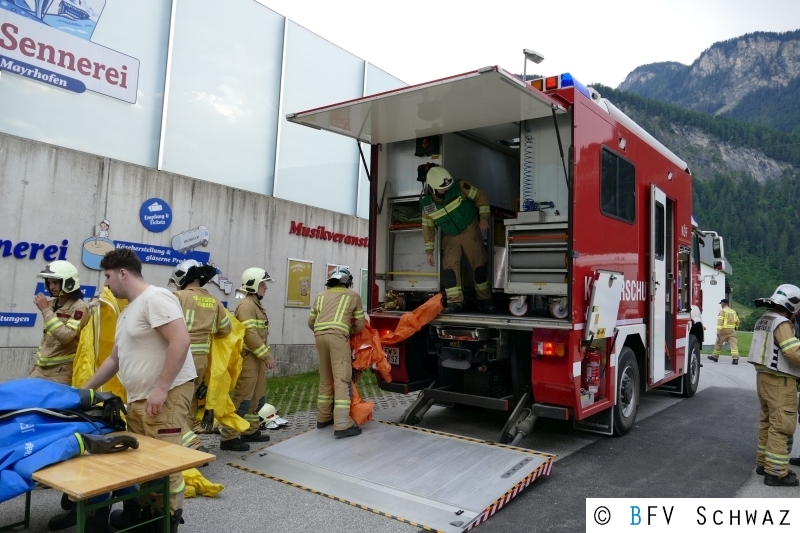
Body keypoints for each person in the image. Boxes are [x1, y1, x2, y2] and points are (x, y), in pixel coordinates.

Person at [83, 248, 197, 531]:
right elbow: (114, 360)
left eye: (108, 276)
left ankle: (166, 523)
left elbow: (180, 341)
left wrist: (161, 389)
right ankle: (146, 517)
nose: (106, 284)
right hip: (138, 400)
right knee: (144, 465)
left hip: (164, 398)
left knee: (164, 466)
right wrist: (82, 392)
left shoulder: (155, 298)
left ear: (123, 272)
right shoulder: (128, 311)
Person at [168, 259, 231, 452]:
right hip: (201, 360)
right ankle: (186, 444)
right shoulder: (215, 301)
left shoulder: (177, 297)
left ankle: (190, 445)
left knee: (174, 404)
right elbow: (226, 330)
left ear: (183, 277)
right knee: (190, 401)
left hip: (180, 357)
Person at [420, 166, 495, 314]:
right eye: (443, 188)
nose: (446, 190)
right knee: (450, 271)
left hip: (470, 229)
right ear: (433, 188)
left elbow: (481, 197)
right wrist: (429, 251)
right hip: (450, 236)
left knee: (479, 266)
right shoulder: (427, 205)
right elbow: (427, 228)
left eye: (448, 186)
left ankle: (485, 300)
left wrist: (484, 219)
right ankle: (455, 303)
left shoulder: (459, 186)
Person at [746, 284, 800, 487]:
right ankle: (776, 473)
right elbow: (793, 352)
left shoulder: (764, 319)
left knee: (767, 422)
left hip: (764, 378)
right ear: (792, 305)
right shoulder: (782, 322)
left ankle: (763, 464)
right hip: (780, 381)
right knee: (782, 425)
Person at [219, 268, 274, 451]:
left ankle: (250, 430)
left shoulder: (255, 305)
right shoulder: (247, 306)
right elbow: (250, 335)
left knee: (257, 398)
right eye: (263, 284)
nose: (266, 287)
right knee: (242, 398)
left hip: (256, 359)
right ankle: (229, 437)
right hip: (250, 359)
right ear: (253, 285)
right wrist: (266, 356)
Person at [308, 267, 365, 438]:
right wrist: (348, 330)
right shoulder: (353, 295)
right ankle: (342, 424)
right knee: (342, 379)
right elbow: (360, 325)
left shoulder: (320, 295)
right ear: (347, 281)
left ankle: (323, 418)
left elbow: (311, 322)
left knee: (326, 378)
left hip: (320, 336)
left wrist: (322, 331)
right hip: (338, 338)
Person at [29, 260, 90, 386]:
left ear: (68, 282)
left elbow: (66, 337)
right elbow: (46, 339)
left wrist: (46, 310)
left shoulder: (79, 307)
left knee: (53, 406)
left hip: (62, 371)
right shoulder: (51, 304)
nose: (51, 287)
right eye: (49, 282)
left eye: (55, 282)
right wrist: (36, 364)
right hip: (41, 369)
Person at [708, 298, 740, 364]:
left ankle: (715, 357)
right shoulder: (733, 311)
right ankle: (735, 359)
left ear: (723, 304)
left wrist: (718, 331)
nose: (721, 305)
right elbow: (737, 321)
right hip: (731, 330)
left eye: (721, 304)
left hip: (723, 330)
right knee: (733, 344)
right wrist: (735, 328)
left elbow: (720, 321)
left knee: (718, 343)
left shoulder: (722, 311)